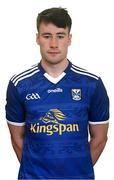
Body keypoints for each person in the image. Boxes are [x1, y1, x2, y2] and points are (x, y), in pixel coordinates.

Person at [5, 7, 109, 179]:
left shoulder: (91, 83)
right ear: (37, 38)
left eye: (60, 36)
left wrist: (76, 172)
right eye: (47, 36)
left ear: (69, 39)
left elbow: (100, 138)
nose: (54, 44)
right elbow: (16, 138)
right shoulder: (20, 84)